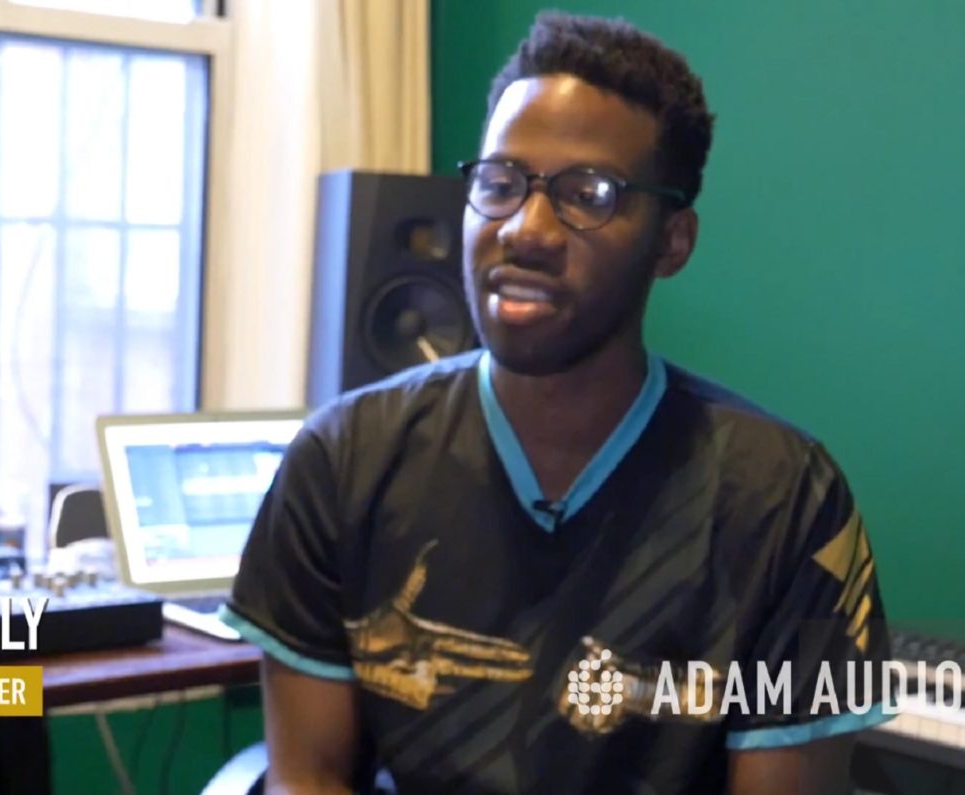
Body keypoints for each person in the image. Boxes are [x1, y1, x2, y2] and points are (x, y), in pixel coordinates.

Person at [219, 10, 892, 795]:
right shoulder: (341, 461)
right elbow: (307, 776)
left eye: (588, 194)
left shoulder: (788, 504)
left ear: (673, 241)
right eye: (500, 184)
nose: (526, 229)